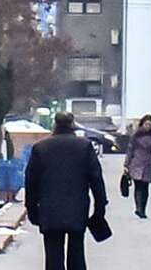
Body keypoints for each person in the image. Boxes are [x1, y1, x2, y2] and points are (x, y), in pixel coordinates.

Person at [25, 112, 110, 270]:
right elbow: (96, 178)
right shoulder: (84, 146)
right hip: (77, 208)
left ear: (55, 124)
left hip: (49, 210)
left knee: (53, 256)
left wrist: (31, 209)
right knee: (77, 252)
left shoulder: (40, 148)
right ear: (73, 124)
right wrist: (100, 207)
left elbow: (31, 181)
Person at [123, 115, 151, 219]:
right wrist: (126, 164)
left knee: (145, 188)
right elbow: (130, 150)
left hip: (148, 163)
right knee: (138, 187)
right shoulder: (136, 136)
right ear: (142, 124)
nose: (147, 126)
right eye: (146, 124)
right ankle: (139, 208)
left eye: (150, 124)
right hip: (136, 162)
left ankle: (143, 209)